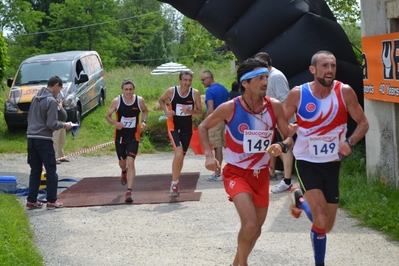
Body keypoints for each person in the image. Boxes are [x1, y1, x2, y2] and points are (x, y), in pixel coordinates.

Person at [198, 58, 293, 266]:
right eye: (260, 78)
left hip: (260, 176)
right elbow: (203, 127)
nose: (265, 82)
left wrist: (282, 146)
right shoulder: (230, 108)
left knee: (256, 230)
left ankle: (236, 263)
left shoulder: (274, 106)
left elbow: (288, 137)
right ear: (245, 83)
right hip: (236, 173)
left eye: (266, 77)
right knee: (249, 225)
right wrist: (208, 154)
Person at [284, 50, 369, 266]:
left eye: (333, 66)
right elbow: (281, 122)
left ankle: (299, 200)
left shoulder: (345, 92)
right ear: (313, 69)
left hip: (332, 164)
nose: (330, 70)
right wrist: (288, 131)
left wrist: (349, 143)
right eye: (324, 66)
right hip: (306, 162)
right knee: (320, 221)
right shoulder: (298, 94)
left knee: (327, 225)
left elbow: (363, 123)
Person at [26, 76, 73, 210]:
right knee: (51, 170)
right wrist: (65, 125)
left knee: (35, 170)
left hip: (31, 138)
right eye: (60, 89)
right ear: (56, 85)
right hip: (44, 140)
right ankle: (52, 200)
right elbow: (51, 124)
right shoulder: (51, 101)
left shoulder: (35, 98)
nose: (59, 92)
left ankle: (32, 200)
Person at [255, 52, 295, 193]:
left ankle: (287, 180)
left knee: (285, 148)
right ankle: (276, 174)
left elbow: (285, 100)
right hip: (274, 119)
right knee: (277, 148)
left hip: (283, 120)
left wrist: (282, 122)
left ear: (267, 64)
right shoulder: (266, 77)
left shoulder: (276, 77)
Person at [158, 71, 202, 197]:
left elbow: (199, 112)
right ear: (180, 81)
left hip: (187, 129)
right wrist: (166, 111)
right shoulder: (172, 91)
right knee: (178, 154)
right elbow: (161, 100)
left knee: (181, 157)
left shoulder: (195, 93)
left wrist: (190, 111)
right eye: (185, 80)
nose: (187, 83)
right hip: (173, 127)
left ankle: (176, 180)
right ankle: (174, 183)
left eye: (189, 80)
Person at [105, 78, 149, 203]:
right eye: (126, 89)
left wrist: (144, 122)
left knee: (131, 162)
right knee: (123, 163)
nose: (128, 92)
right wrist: (115, 123)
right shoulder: (117, 101)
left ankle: (129, 191)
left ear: (134, 90)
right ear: (122, 90)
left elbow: (145, 110)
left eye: (130, 89)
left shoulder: (139, 100)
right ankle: (123, 171)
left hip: (133, 137)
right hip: (120, 137)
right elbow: (107, 115)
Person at [200, 70, 229, 181]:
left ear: (210, 78)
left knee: (217, 147)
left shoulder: (210, 91)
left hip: (214, 121)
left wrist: (205, 122)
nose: (202, 82)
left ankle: (217, 173)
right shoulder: (224, 89)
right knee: (227, 146)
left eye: (203, 80)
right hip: (224, 120)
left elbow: (210, 109)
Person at [52, 97, 69, 164]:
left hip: (62, 122)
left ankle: (61, 156)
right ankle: (54, 157)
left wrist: (63, 103)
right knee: (55, 140)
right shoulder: (52, 101)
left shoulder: (57, 100)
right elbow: (59, 108)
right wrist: (61, 103)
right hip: (57, 122)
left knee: (62, 140)